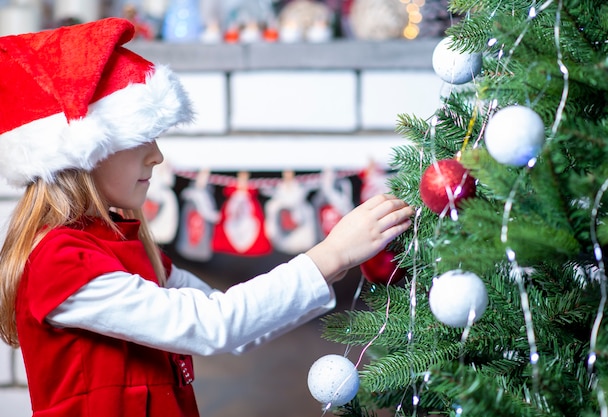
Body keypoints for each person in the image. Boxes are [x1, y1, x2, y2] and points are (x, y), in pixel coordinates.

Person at [0, 18, 414, 417]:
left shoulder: (122, 247)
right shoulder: (60, 263)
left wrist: (336, 265)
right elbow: (213, 325)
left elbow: (234, 323)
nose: (157, 155)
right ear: (83, 151)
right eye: (141, 137)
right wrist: (331, 254)